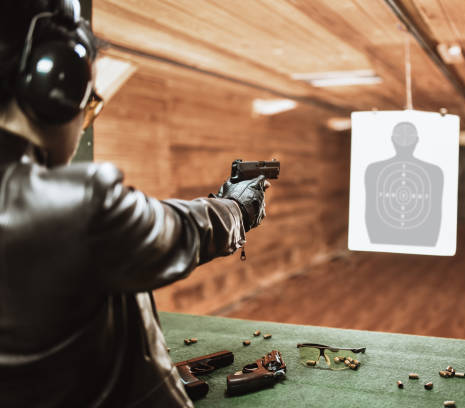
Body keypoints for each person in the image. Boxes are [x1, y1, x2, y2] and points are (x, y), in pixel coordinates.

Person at [0, 1, 267, 406]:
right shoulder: (77, 205)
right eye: (88, 106)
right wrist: (238, 208)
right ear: (57, 87)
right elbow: (180, 231)